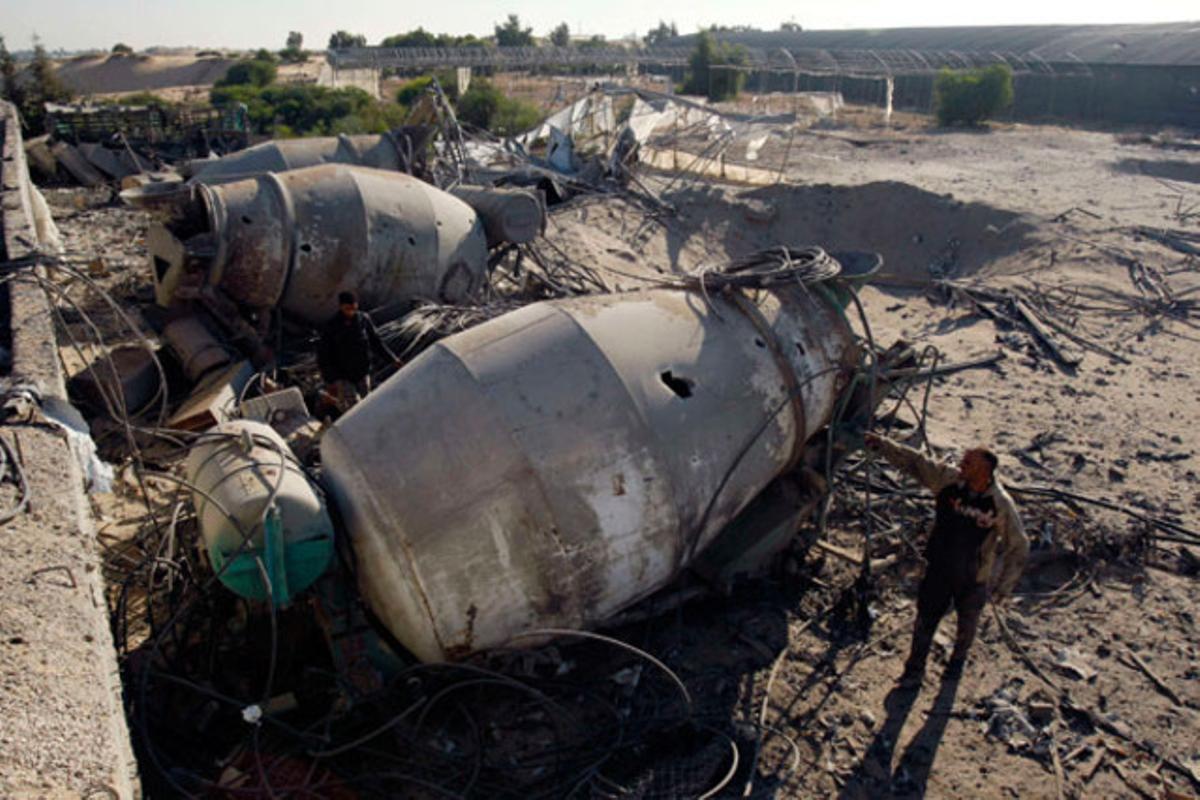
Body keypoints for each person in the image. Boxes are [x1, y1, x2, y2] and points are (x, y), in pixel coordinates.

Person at [864, 433, 1029, 686]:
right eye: (963, 461)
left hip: (973, 578)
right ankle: (914, 671)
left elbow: (1017, 546)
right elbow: (916, 463)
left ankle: (956, 665)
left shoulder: (999, 504)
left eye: (968, 463)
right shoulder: (948, 481)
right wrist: (883, 445)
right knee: (924, 622)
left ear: (985, 471)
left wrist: (1002, 587)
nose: (961, 465)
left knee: (966, 627)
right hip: (938, 568)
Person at [316, 291, 401, 413]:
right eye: (348, 309)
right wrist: (330, 380)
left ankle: (331, 400)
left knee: (367, 404)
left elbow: (376, 343)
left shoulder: (364, 320)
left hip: (362, 371)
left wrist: (393, 360)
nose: (351, 312)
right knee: (355, 409)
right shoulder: (332, 326)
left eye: (354, 308)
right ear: (341, 307)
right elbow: (323, 355)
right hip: (343, 375)